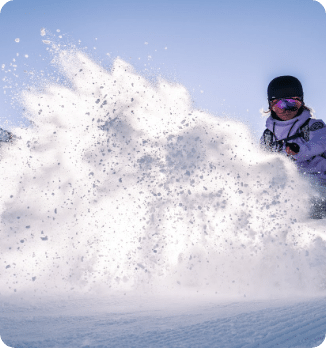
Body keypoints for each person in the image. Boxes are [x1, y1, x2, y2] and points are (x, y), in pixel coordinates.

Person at [261, 75, 326, 218]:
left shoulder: (313, 126)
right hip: (287, 192)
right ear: (271, 106)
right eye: (279, 105)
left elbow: (321, 143)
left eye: (291, 103)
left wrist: (298, 150)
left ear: (301, 103)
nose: (286, 109)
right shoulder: (269, 136)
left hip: (320, 185)